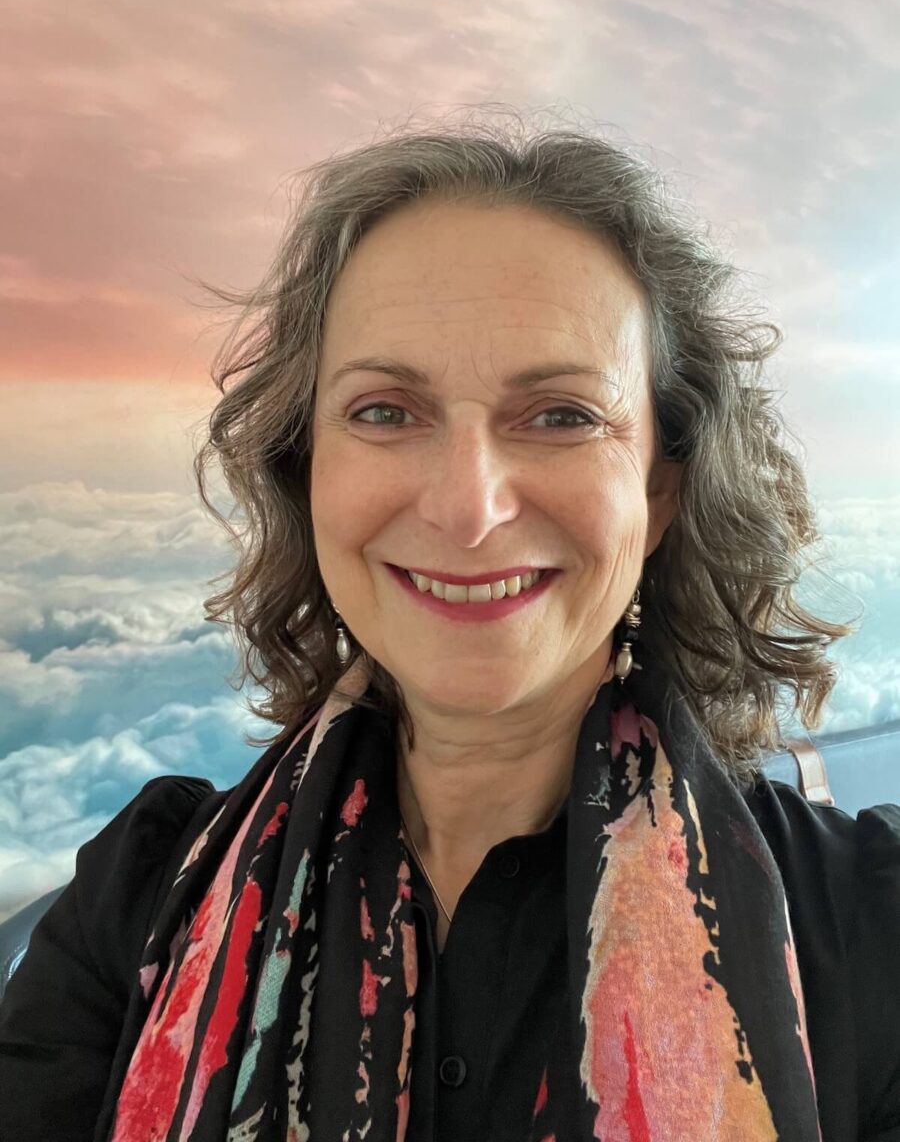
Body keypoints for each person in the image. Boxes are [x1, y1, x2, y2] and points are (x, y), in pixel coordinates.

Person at [0, 109, 897, 1142]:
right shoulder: (138, 898)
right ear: (308, 471)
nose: (467, 509)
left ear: (658, 492)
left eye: (561, 414)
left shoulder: (870, 926)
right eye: (385, 411)